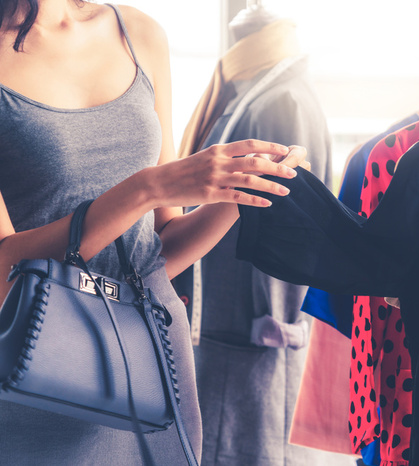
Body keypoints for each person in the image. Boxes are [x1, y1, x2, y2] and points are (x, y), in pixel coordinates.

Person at [0, 0, 308, 464]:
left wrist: (243, 191)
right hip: (36, 363)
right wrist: (144, 189)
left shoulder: (140, 34)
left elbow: (159, 252)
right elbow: (4, 265)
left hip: (152, 356)